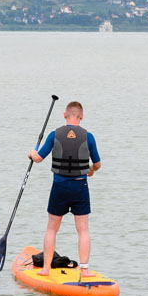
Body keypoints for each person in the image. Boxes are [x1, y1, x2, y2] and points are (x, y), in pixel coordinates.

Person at [27, 100, 101, 279]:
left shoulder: (54, 134)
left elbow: (38, 158)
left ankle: (45, 268)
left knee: (52, 228)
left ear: (64, 115)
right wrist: (90, 170)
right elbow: (97, 164)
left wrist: (31, 153)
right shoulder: (88, 136)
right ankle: (84, 269)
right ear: (81, 117)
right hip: (79, 186)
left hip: (59, 186)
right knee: (83, 229)